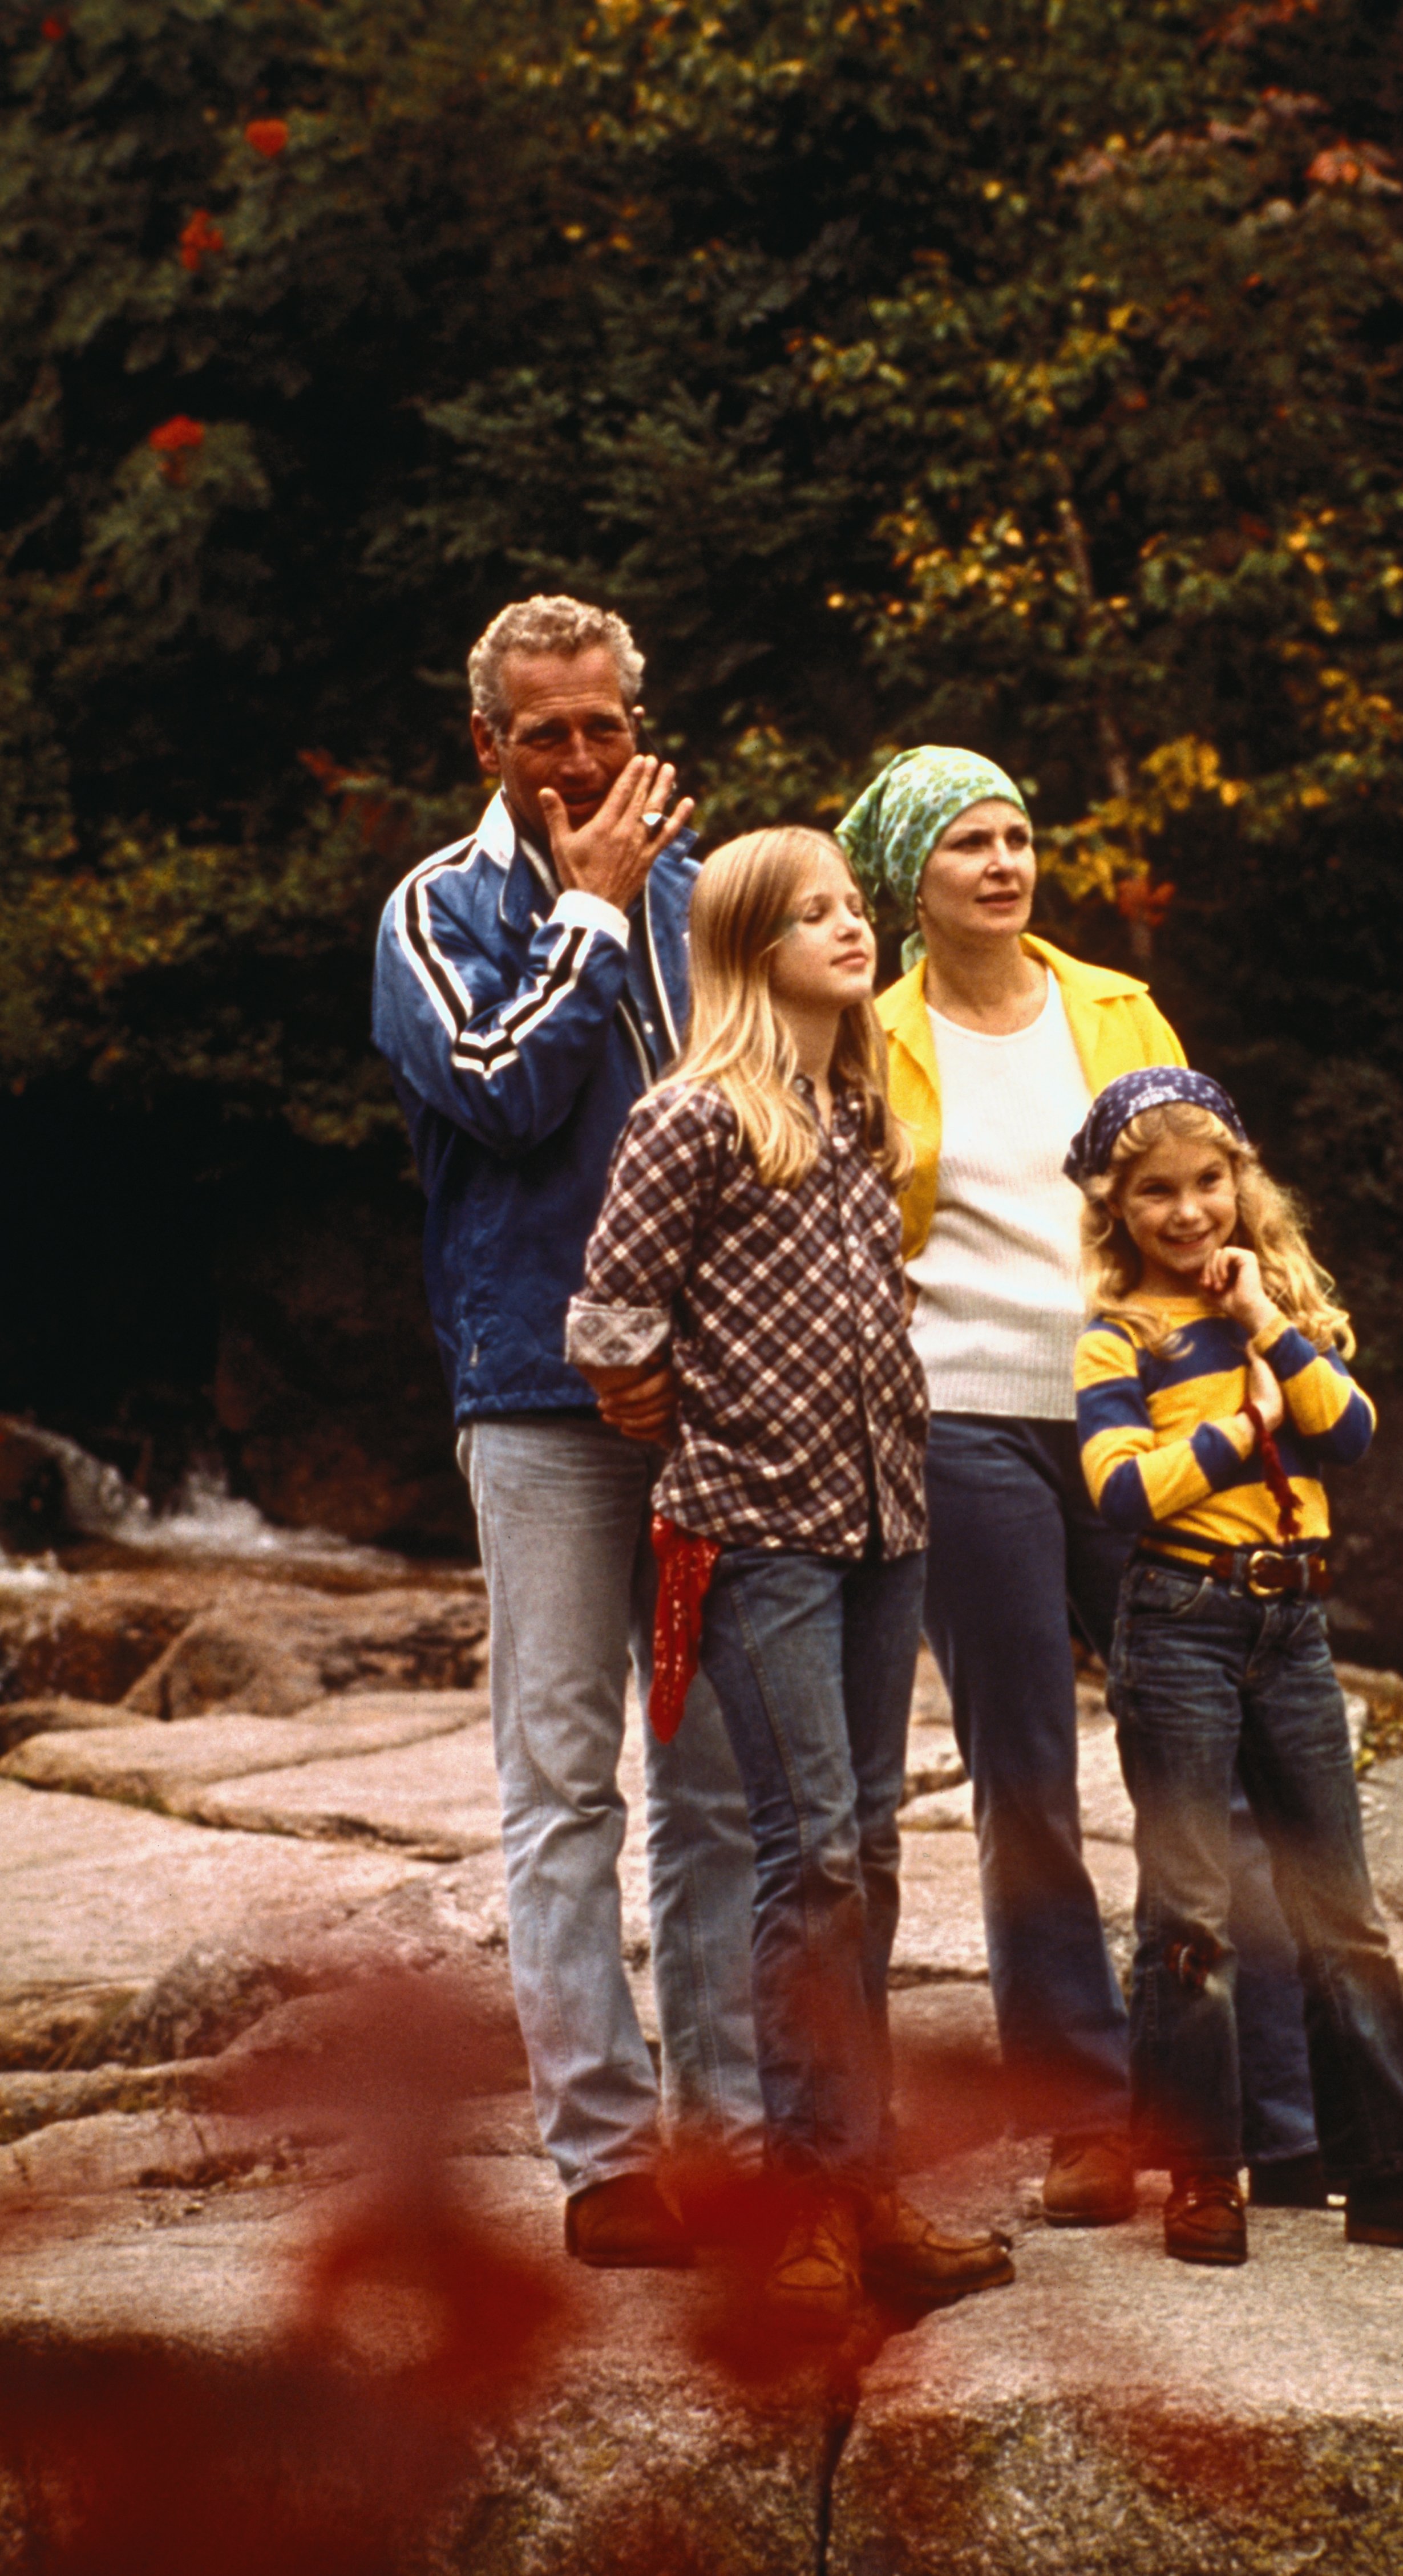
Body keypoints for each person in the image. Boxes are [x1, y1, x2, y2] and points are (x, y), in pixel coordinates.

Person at [837, 746, 1325, 2225]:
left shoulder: (1115, 1008)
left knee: (1215, 1759)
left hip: (1141, 1416)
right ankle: (1080, 2116)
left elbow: (1205, 1191)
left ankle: (1266, 2114)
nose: (1003, 863)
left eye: (1017, 835)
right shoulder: (867, 1032)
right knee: (1026, 1781)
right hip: (963, 1424)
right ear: (909, 881)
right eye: (968, 844)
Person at [566, 825, 1013, 2332]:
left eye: (850, 906)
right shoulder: (693, 1114)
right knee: (805, 1851)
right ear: (751, 948)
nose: (849, 928)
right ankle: (804, 2204)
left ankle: (863, 2180)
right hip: (755, 1526)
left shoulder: (855, 1102)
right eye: (811, 913)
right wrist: (678, 1420)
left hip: (887, 1517)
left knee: (870, 1852)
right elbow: (608, 1314)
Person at [371, 594, 760, 2266]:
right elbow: (504, 1092)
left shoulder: (703, 895)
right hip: (534, 1403)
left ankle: (732, 2142)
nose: (582, 759)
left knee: (716, 1780)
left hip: (707, 1407)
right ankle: (605, 2161)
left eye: (605, 725)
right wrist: (592, 916)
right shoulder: (435, 908)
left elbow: (762, 1120)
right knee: (557, 1784)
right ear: (489, 743)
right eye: (547, 732)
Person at [1069, 1066, 1403, 2264]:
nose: (1188, 1211)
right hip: (1177, 1621)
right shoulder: (1117, 1336)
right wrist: (1240, 1426)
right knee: (1191, 1909)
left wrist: (1265, 1328)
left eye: (1209, 1182)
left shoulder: (1270, 1310)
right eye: (1157, 1192)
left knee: (1342, 1907)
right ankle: (1201, 2171)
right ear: (1117, 1208)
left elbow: (1353, 1429)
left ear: (1242, 1183)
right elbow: (1121, 1489)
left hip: (1293, 1630)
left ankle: (1390, 2167)